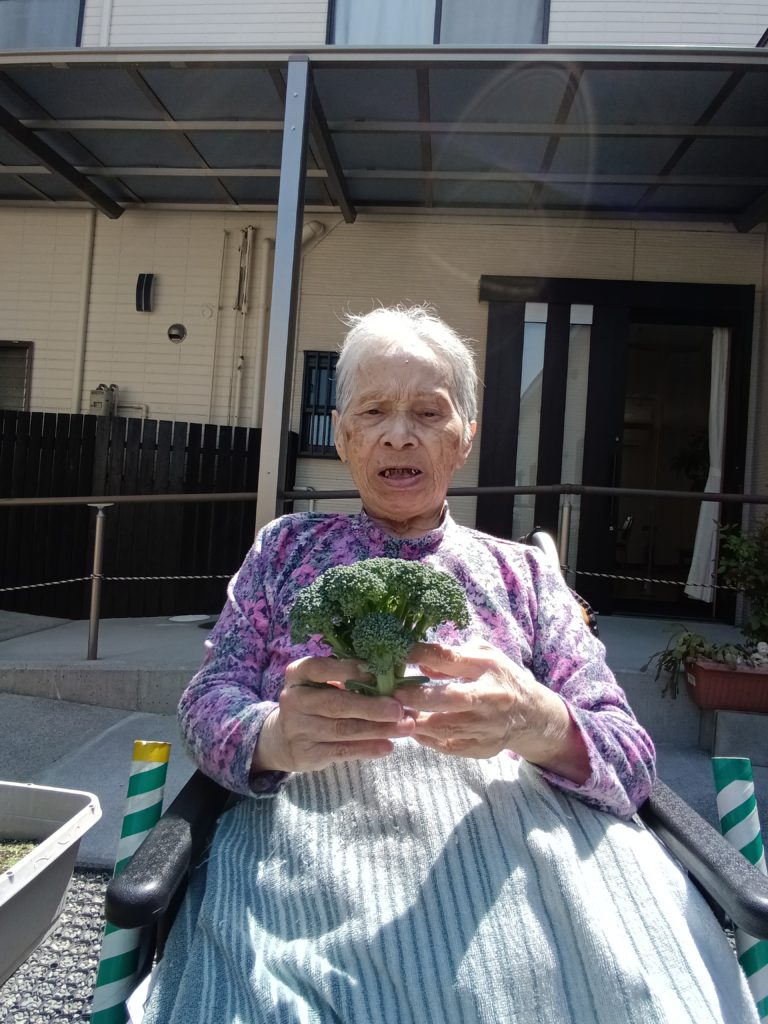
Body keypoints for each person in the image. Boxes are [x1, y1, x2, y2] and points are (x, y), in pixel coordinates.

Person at [142, 306, 758, 1024]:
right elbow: (207, 701)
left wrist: (536, 720)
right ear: (343, 436)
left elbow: (630, 759)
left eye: (429, 413)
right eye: (374, 411)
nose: (399, 434)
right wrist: (273, 736)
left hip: (520, 864)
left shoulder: (524, 574)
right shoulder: (284, 551)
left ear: (465, 437)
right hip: (314, 856)